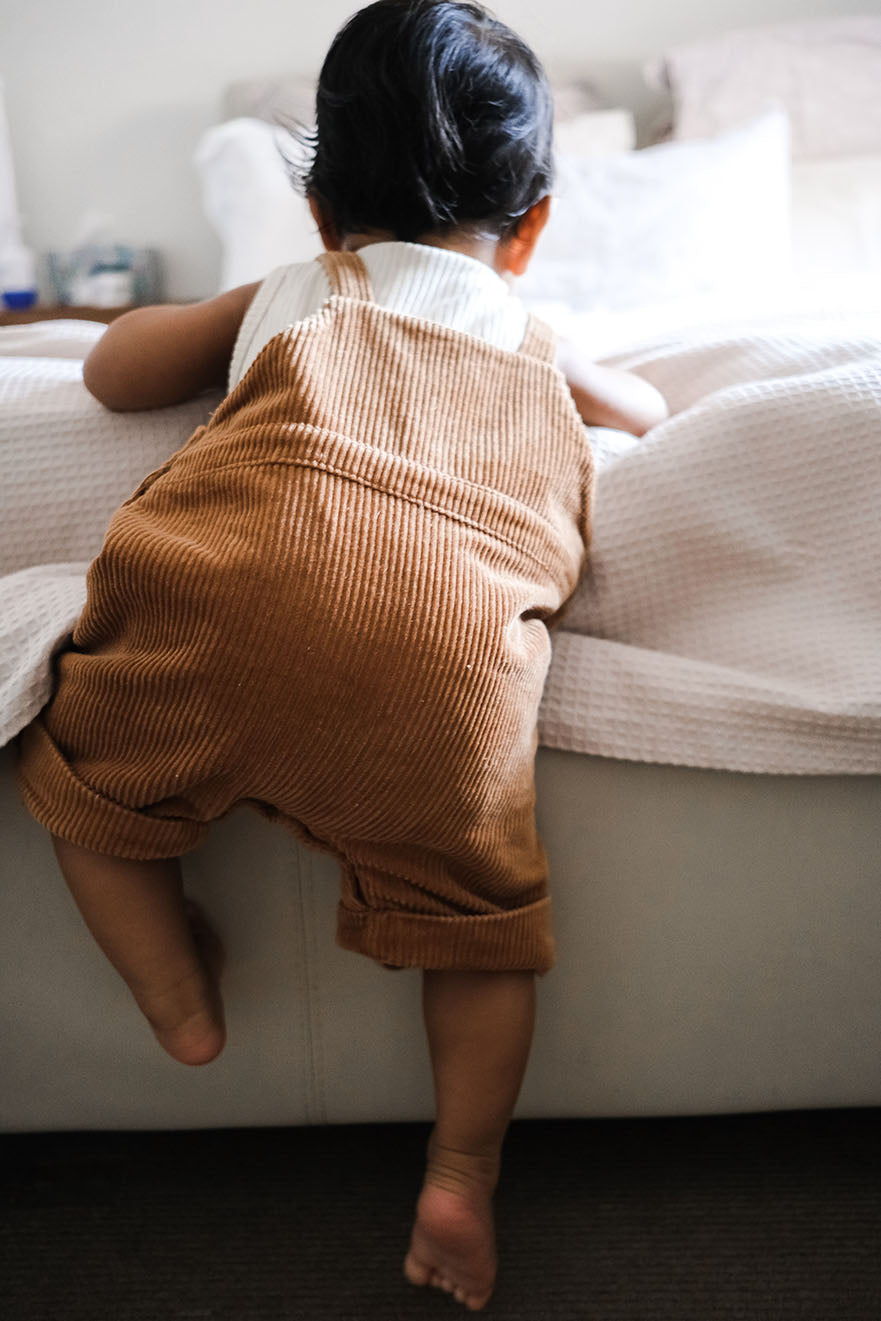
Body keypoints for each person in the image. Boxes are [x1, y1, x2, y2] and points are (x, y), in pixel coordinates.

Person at [17, 0, 667, 1309]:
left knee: (80, 779)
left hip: (216, 598)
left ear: (318, 213)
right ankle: (460, 1170)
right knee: (479, 931)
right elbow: (644, 410)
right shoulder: (531, 334)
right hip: (444, 658)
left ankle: (179, 999)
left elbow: (111, 374)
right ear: (530, 226)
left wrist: (219, 311)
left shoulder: (297, 289)